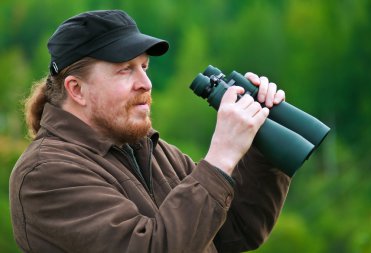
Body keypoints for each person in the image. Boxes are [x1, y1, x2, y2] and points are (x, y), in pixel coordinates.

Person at [9, 10, 290, 253]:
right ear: (77, 89)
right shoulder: (46, 174)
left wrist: (261, 146)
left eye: (144, 66)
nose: (145, 83)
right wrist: (221, 157)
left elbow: (237, 231)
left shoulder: (152, 151)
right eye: (125, 70)